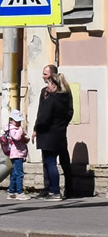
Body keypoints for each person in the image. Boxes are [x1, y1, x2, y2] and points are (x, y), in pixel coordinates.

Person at [32, 64, 73, 200]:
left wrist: (39, 127)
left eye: (46, 75)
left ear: (53, 79)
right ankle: (50, 188)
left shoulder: (53, 98)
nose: (44, 78)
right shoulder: (61, 95)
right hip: (58, 133)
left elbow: (44, 116)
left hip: (50, 134)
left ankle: (55, 191)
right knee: (53, 162)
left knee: (52, 162)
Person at [3, 109, 29, 200]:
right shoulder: (12, 129)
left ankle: (11, 191)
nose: (18, 123)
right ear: (11, 120)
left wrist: (25, 137)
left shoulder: (17, 129)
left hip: (19, 153)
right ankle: (19, 192)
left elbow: (25, 138)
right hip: (16, 153)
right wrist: (21, 130)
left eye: (19, 121)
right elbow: (16, 137)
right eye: (16, 121)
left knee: (14, 173)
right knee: (19, 173)